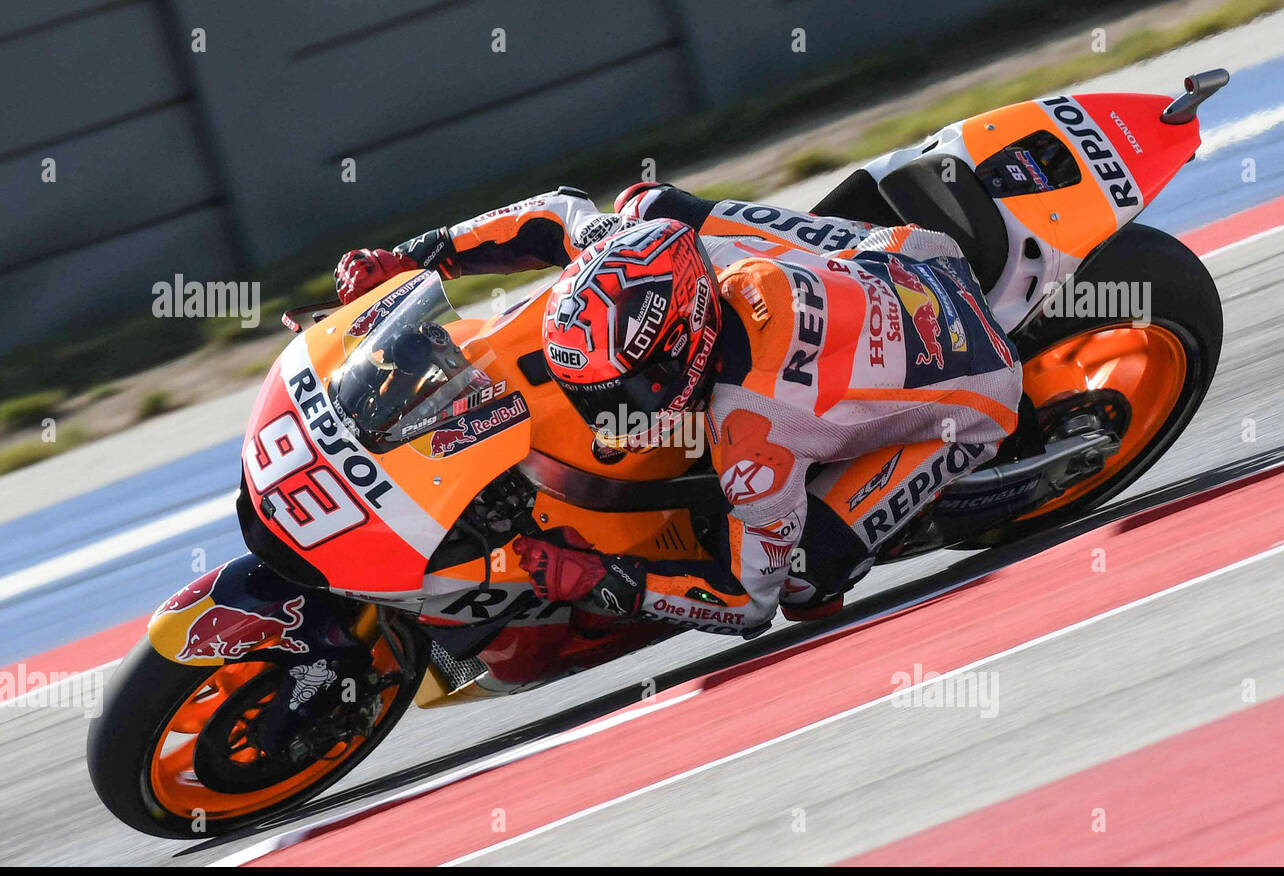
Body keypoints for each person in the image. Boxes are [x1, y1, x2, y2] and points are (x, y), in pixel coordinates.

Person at [334, 182, 1022, 636]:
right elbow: (556, 215)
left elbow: (748, 603)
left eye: (625, 389)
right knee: (649, 203)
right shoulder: (652, 256)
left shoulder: (751, 434)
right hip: (910, 254)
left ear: (685, 343)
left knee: (806, 582)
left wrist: (609, 579)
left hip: (978, 392)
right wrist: (419, 256)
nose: (608, 407)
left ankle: (905, 506)